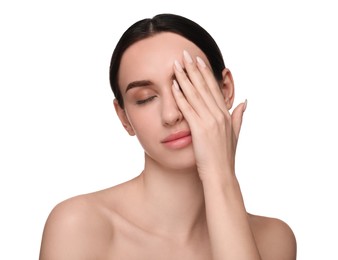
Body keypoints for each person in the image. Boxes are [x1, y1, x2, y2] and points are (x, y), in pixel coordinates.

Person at [39, 13, 297, 259]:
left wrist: (220, 174)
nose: (171, 115)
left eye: (186, 86)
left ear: (226, 89)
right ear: (124, 117)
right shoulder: (78, 227)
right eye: (145, 99)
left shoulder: (273, 239)